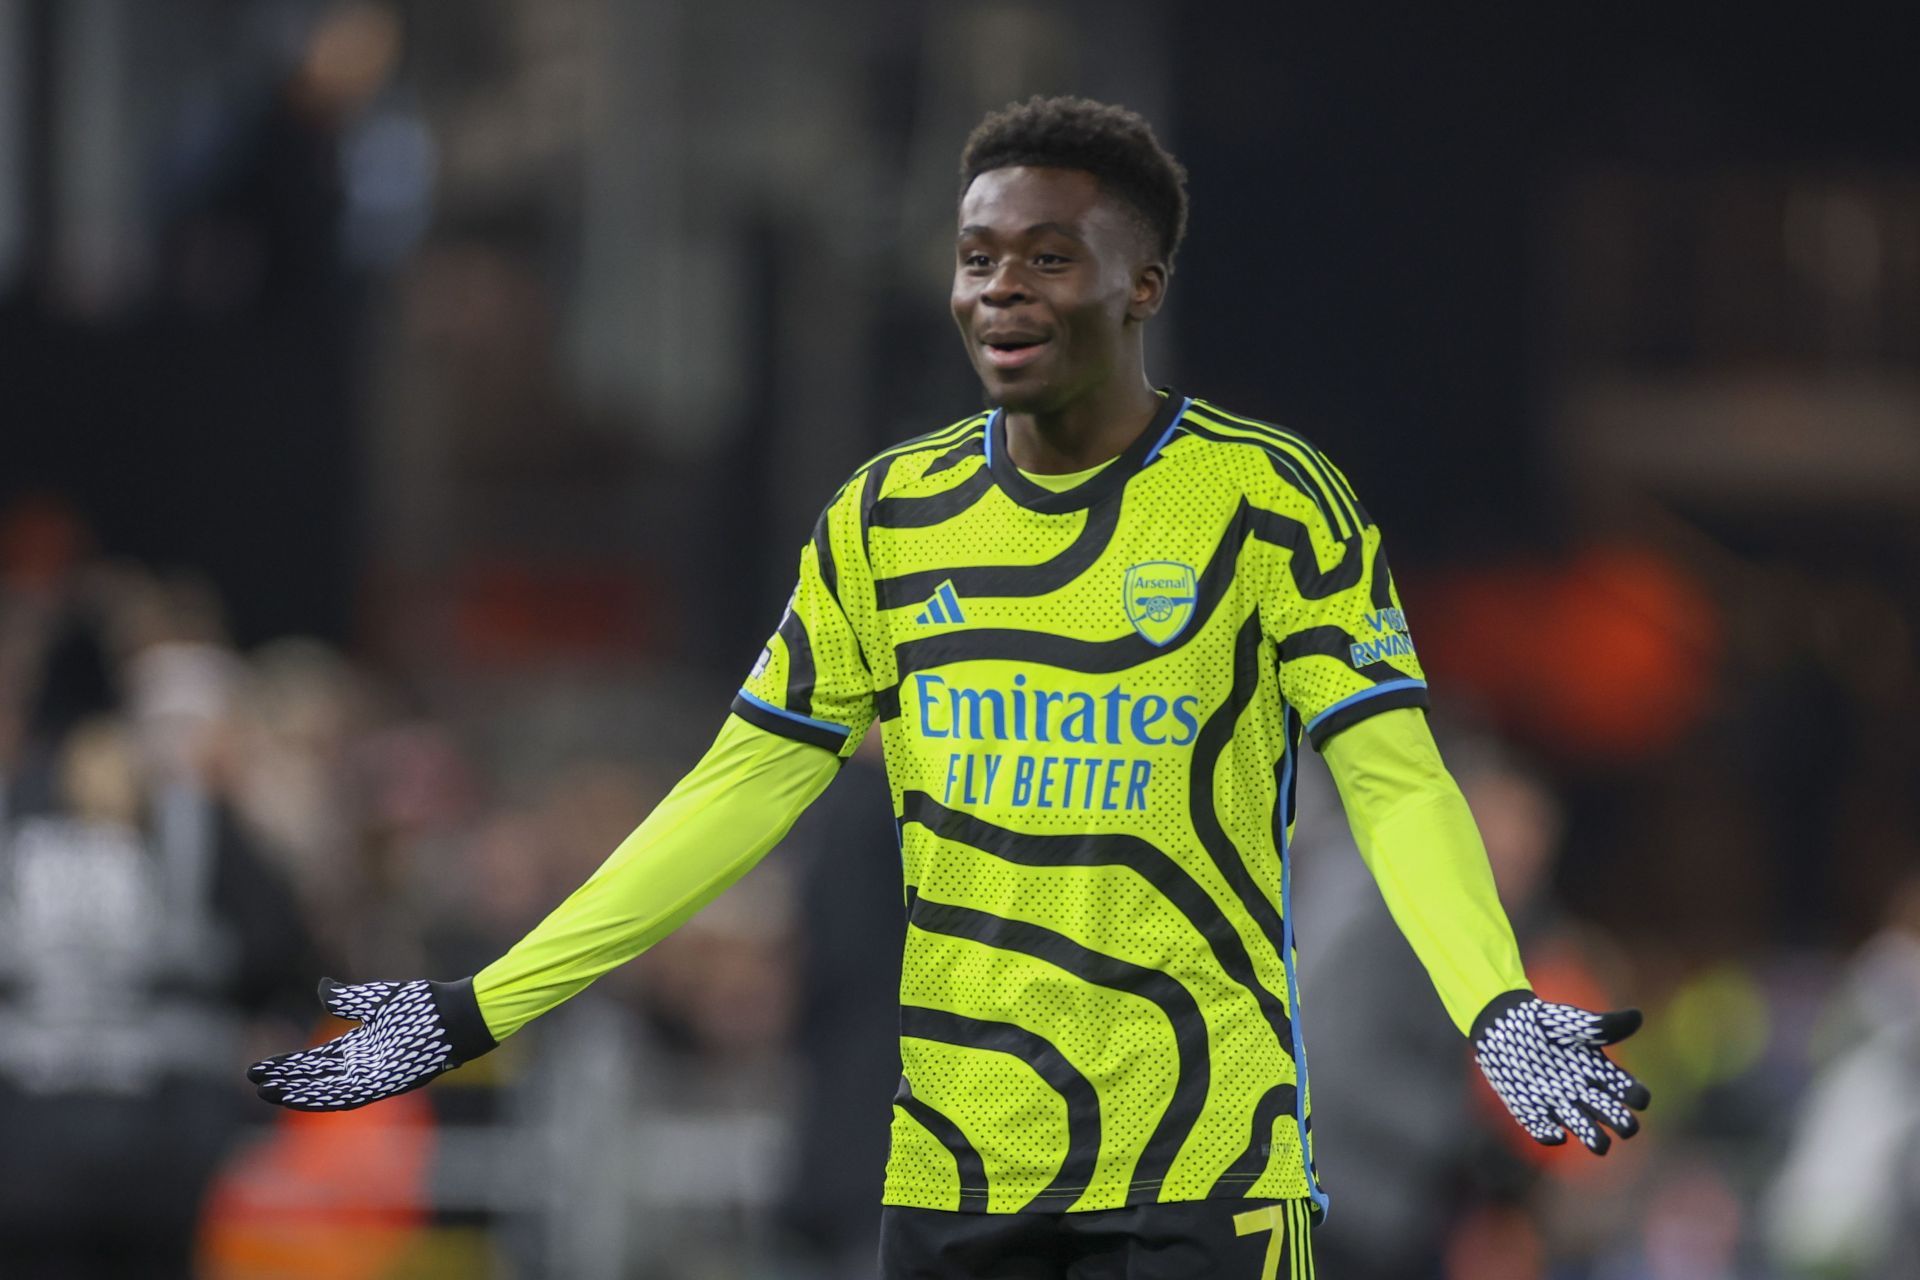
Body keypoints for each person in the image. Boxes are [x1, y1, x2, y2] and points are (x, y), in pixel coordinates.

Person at [250, 96, 1648, 1278]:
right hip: (960, 1183)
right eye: (979, 256)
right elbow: (727, 802)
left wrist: (1495, 1002)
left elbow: (1397, 783)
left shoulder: (1271, 507)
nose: (1000, 290)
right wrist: (486, 1000)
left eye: (1049, 256)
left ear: (1143, 284)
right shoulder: (887, 521)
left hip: (1203, 1183)